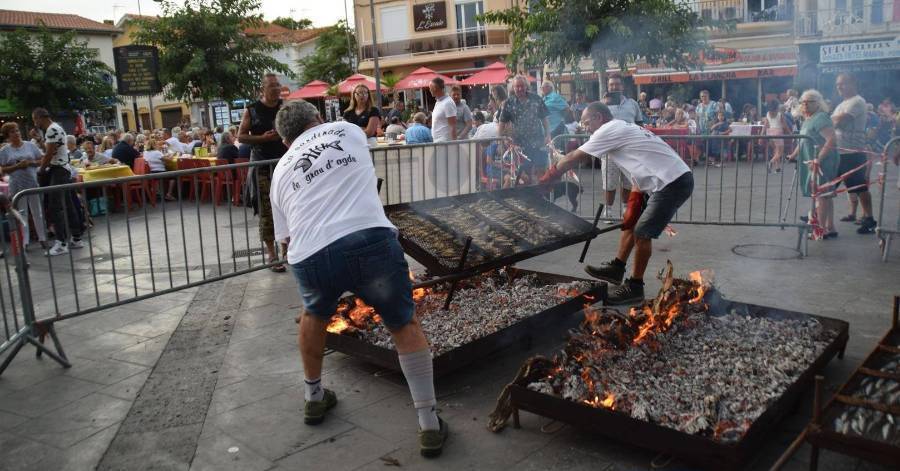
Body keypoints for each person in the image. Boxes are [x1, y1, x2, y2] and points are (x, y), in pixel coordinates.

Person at [270, 99, 448, 456]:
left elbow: (285, 238)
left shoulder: (279, 170)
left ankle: (313, 397)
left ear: (286, 142)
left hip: (311, 253)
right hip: (369, 240)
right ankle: (429, 424)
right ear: (319, 118)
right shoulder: (349, 130)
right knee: (402, 323)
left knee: (314, 314)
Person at [540, 102, 693, 304]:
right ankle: (617, 268)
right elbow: (640, 162)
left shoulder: (608, 129)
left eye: (587, 122)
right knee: (630, 223)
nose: (584, 127)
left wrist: (549, 177)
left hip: (672, 182)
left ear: (599, 118)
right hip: (664, 179)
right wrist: (635, 200)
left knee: (642, 232)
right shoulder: (622, 127)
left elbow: (573, 158)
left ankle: (635, 287)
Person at [238, 72, 289, 271]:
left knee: (288, 207)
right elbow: (241, 136)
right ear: (263, 89)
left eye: (278, 85)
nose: (276, 89)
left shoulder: (285, 107)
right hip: (262, 164)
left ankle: (287, 250)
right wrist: (263, 139)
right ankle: (272, 254)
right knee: (267, 210)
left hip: (285, 164)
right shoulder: (252, 110)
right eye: (272, 86)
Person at [788, 90, 839, 239]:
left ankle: (820, 230)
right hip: (813, 161)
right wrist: (792, 155)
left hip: (823, 162)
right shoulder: (808, 119)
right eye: (803, 101)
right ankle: (830, 227)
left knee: (822, 195)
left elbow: (831, 139)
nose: (805, 104)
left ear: (818, 103)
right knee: (826, 195)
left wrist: (819, 159)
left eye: (809, 101)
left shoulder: (821, 117)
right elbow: (804, 140)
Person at [32, 108, 83, 256]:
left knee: (55, 206)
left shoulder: (51, 129)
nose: (35, 123)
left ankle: (61, 243)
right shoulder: (55, 129)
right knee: (68, 204)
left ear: (40, 117)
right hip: (62, 169)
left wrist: (41, 169)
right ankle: (76, 237)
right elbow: (51, 149)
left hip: (58, 170)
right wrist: (39, 140)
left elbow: (48, 154)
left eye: (35, 120)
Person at [831, 73, 876, 233]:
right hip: (839, 152)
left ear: (853, 83)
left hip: (853, 152)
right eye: (837, 85)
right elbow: (833, 122)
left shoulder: (857, 101)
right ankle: (817, 216)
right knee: (828, 186)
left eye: (843, 84)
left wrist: (834, 119)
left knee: (860, 187)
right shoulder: (841, 104)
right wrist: (834, 119)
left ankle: (869, 219)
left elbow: (839, 123)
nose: (839, 87)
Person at [600, 75, 644, 222]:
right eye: (611, 85)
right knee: (609, 182)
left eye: (617, 84)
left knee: (627, 181)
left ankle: (625, 208)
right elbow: (594, 125)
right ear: (608, 86)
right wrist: (604, 105)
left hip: (629, 150)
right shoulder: (602, 104)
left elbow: (640, 124)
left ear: (622, 87)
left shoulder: (632, 104)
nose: (614, 87)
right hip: (609, 151)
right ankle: (608, 210)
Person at [0, 122, 47, 247]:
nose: (16, 133)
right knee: (22, 212)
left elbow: (41, 160)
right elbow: (2, 169)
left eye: (17, 130)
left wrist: (30, 163)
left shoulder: (30, 145)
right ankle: (25, 241)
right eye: (12, 132)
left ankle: (42, 238)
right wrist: (17, 166)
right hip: (16, 185)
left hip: (32, 182)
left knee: (37, 211)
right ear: (7, 136)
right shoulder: (5, 150)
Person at [499, 75, 551, 177]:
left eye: (522, 86)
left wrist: (548, 135)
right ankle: (528, 193)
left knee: (541, 172)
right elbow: (502, 123)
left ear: (526, 86)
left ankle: (542, 193)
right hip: (519, 146)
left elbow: (545, 119)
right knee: (524, 176)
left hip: (538, 143)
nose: (520, 89)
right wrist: (502, 139)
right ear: (513, 88)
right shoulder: (509, 103)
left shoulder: (537, 99)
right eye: (517, 86)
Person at [763, 99, 791, 172]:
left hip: (770, 133)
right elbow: (785, 126)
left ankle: (777, 168)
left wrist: (761, 135)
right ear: (777, 106)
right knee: (780, 152)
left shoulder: (768, 114)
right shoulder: (779, 114)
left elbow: (765, 126)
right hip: (778, 133)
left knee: (775, 151)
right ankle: (771, 162)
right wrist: (790, 133)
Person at [428, 77, 457, 143]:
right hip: (438, 141)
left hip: (445, 142)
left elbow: (453, 126)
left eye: (430, 88)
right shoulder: (438, 102)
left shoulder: (448, 103)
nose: (429, 90)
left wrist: (454, 145)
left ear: (435, 88)